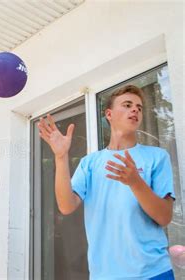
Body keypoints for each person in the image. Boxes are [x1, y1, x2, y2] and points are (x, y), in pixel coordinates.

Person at [38, 85, 175, 279]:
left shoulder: (157, 156)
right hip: (105, 274)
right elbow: (66, 206)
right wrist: (61, 157)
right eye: (127, 105)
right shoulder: (90, 163)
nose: (135, 109)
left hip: (153, 272)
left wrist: (135, 182)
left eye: (139, 107)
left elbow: (164, 217)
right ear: (109, 114)